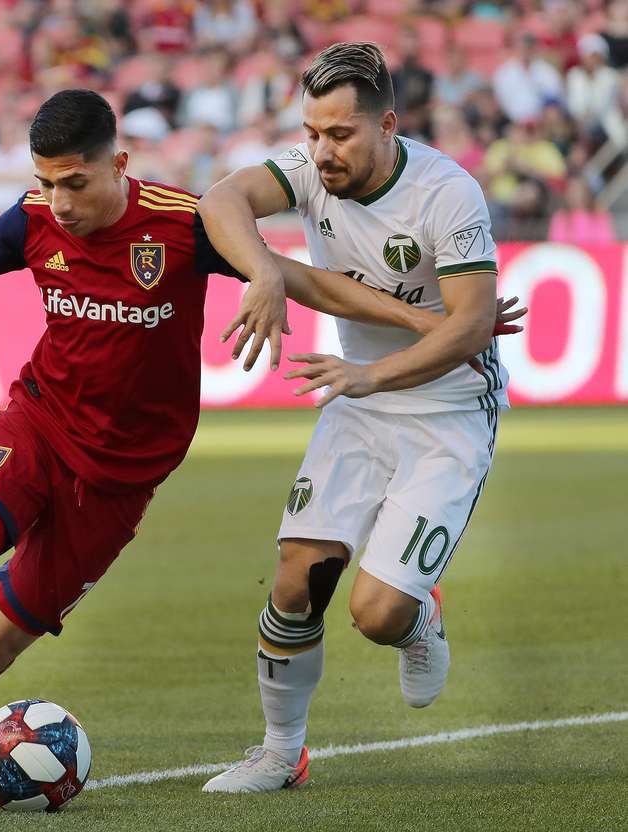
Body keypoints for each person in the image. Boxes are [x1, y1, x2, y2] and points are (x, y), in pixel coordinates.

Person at [0, 88, 496, 806]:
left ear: (117, 165)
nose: (60, 201)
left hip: (118, 483)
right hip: (39, 425)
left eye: (75, 183)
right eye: (46, 182)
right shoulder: (32, 221)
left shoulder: (183, 226)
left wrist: (441, 325)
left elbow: (309, 282)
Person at [198, 42, 517, 794]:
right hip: (359, 406)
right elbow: (219, 200)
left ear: (386, 127)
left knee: (375, 613)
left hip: (448, 412)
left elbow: (470, 330)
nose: (320, 150)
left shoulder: (448, 192)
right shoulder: (310, 173)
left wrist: (369, 372)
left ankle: (418, 619)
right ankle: (281, 752)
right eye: (311, 131)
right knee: (295, 579)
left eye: (339, 134)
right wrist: (269, 271)